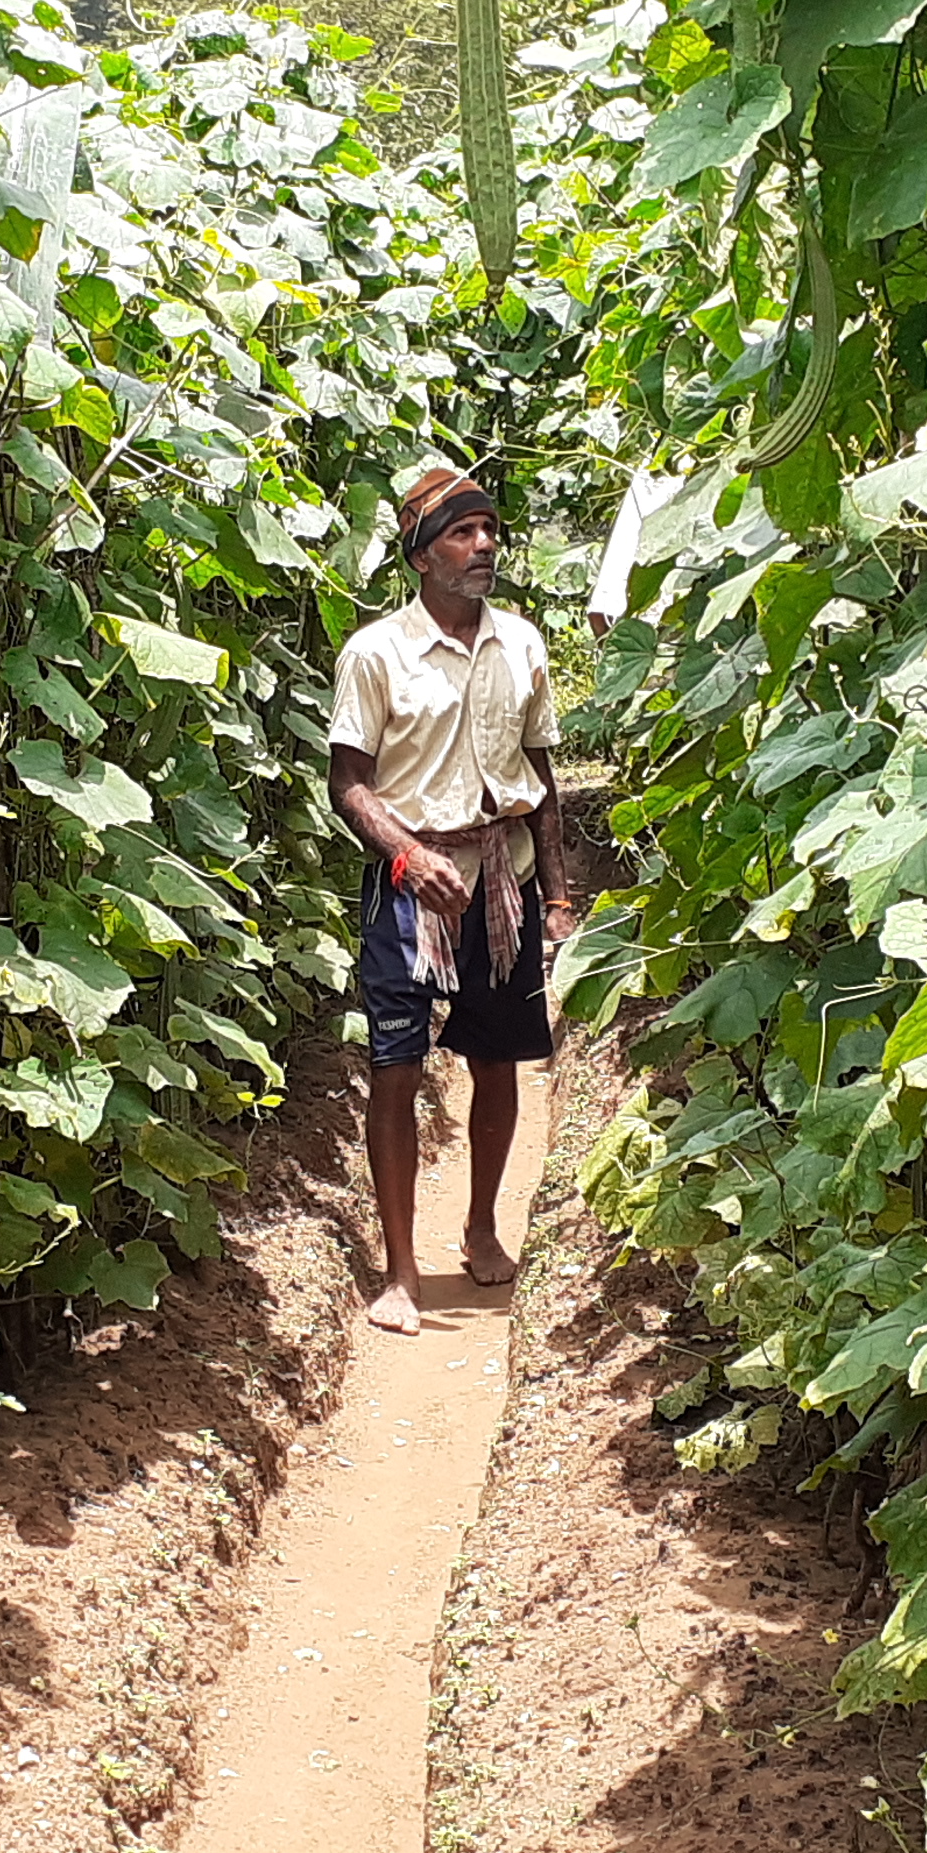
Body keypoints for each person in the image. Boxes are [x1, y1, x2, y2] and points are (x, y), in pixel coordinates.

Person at [325, 464, 572, 1335]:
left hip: (498, 881)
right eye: (465, 535)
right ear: (422, 556)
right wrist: (406, 854)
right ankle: (401, 1274)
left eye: (491, 531)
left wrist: (557, 894)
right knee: (396, 1070)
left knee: (496, 1058)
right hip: (411, 889)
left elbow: (539, 777)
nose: (485, 548)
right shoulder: (376, 654)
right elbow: (348, 783)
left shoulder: (523, 645)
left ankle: (481, 1226)